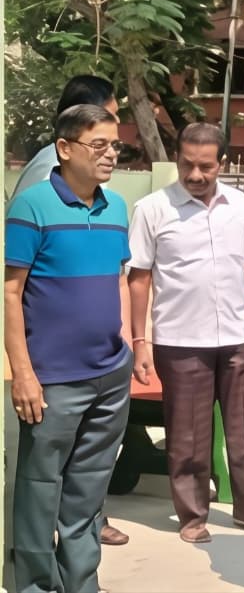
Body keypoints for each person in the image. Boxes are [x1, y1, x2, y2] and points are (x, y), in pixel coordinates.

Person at [126, 123, 244, 544]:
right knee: (188, 434)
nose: (195, 174)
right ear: (177, 159)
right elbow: (139, 278)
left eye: (205, 166)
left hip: (237, 336)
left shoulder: (240, 206)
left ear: (222, 163)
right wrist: (140, 342)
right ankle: (192, 516)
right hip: (180, 341)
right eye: (187, 165)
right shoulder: (152, 209)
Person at [5, 104, 133, 593]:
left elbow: (118, 278)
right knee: (39, 492)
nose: (110, 154)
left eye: (115, 145)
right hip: (53, 379)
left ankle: (81, 583)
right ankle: (36, 586)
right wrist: (23, 373)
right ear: (64, 148)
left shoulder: (117, 207)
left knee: (88, 493)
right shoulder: (32, 206)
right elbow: (11, 293)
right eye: (98, 144)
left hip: (109, 375)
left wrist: (125, 347)